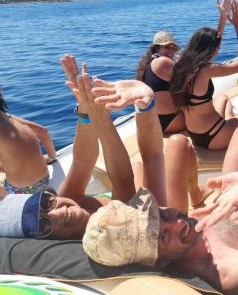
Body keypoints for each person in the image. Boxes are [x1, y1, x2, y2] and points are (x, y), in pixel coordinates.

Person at [83, 78, 238, 295]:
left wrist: (145, 104)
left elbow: (152, 156)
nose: (177, 221)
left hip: (224, 204)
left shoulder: (163, 231)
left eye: (161, 214)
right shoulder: (228, 273)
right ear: (158, 262)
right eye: (163, 236)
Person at [0, 57, 143, 239]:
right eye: (43, 224)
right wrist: (101, 119)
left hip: (106, 196)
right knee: (141, 171)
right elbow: (124, 182)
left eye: (43, 203)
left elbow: (83, 160)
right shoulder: (108, 226)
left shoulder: (66, 199)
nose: (57, 213)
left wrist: (85, 107)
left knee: (138, 166)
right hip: (130, 202)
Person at [170, 0, 238, 158]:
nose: (219, 48)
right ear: (210, 49)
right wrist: (237, 26)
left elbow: (213, 42)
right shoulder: (206, 70)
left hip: (195, 133)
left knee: (222, 98)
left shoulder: (180, 64)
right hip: (214, 136)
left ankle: (232, 123)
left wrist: (222, 18)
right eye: (217, 46)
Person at [0, 87, 56, 195]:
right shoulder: (11, 118)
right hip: (44, 180)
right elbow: (43, 131)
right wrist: (51, 157)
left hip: (23, 191)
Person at [135, 30, 185, 133]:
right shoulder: (163, 62)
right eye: (167, 47)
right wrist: (181, 64)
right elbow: (188, 83)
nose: (171, 51)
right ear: (157, 48)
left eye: (173, 48)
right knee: (220, 101)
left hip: (155, 121)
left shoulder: (148, 64)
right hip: (170, 120)